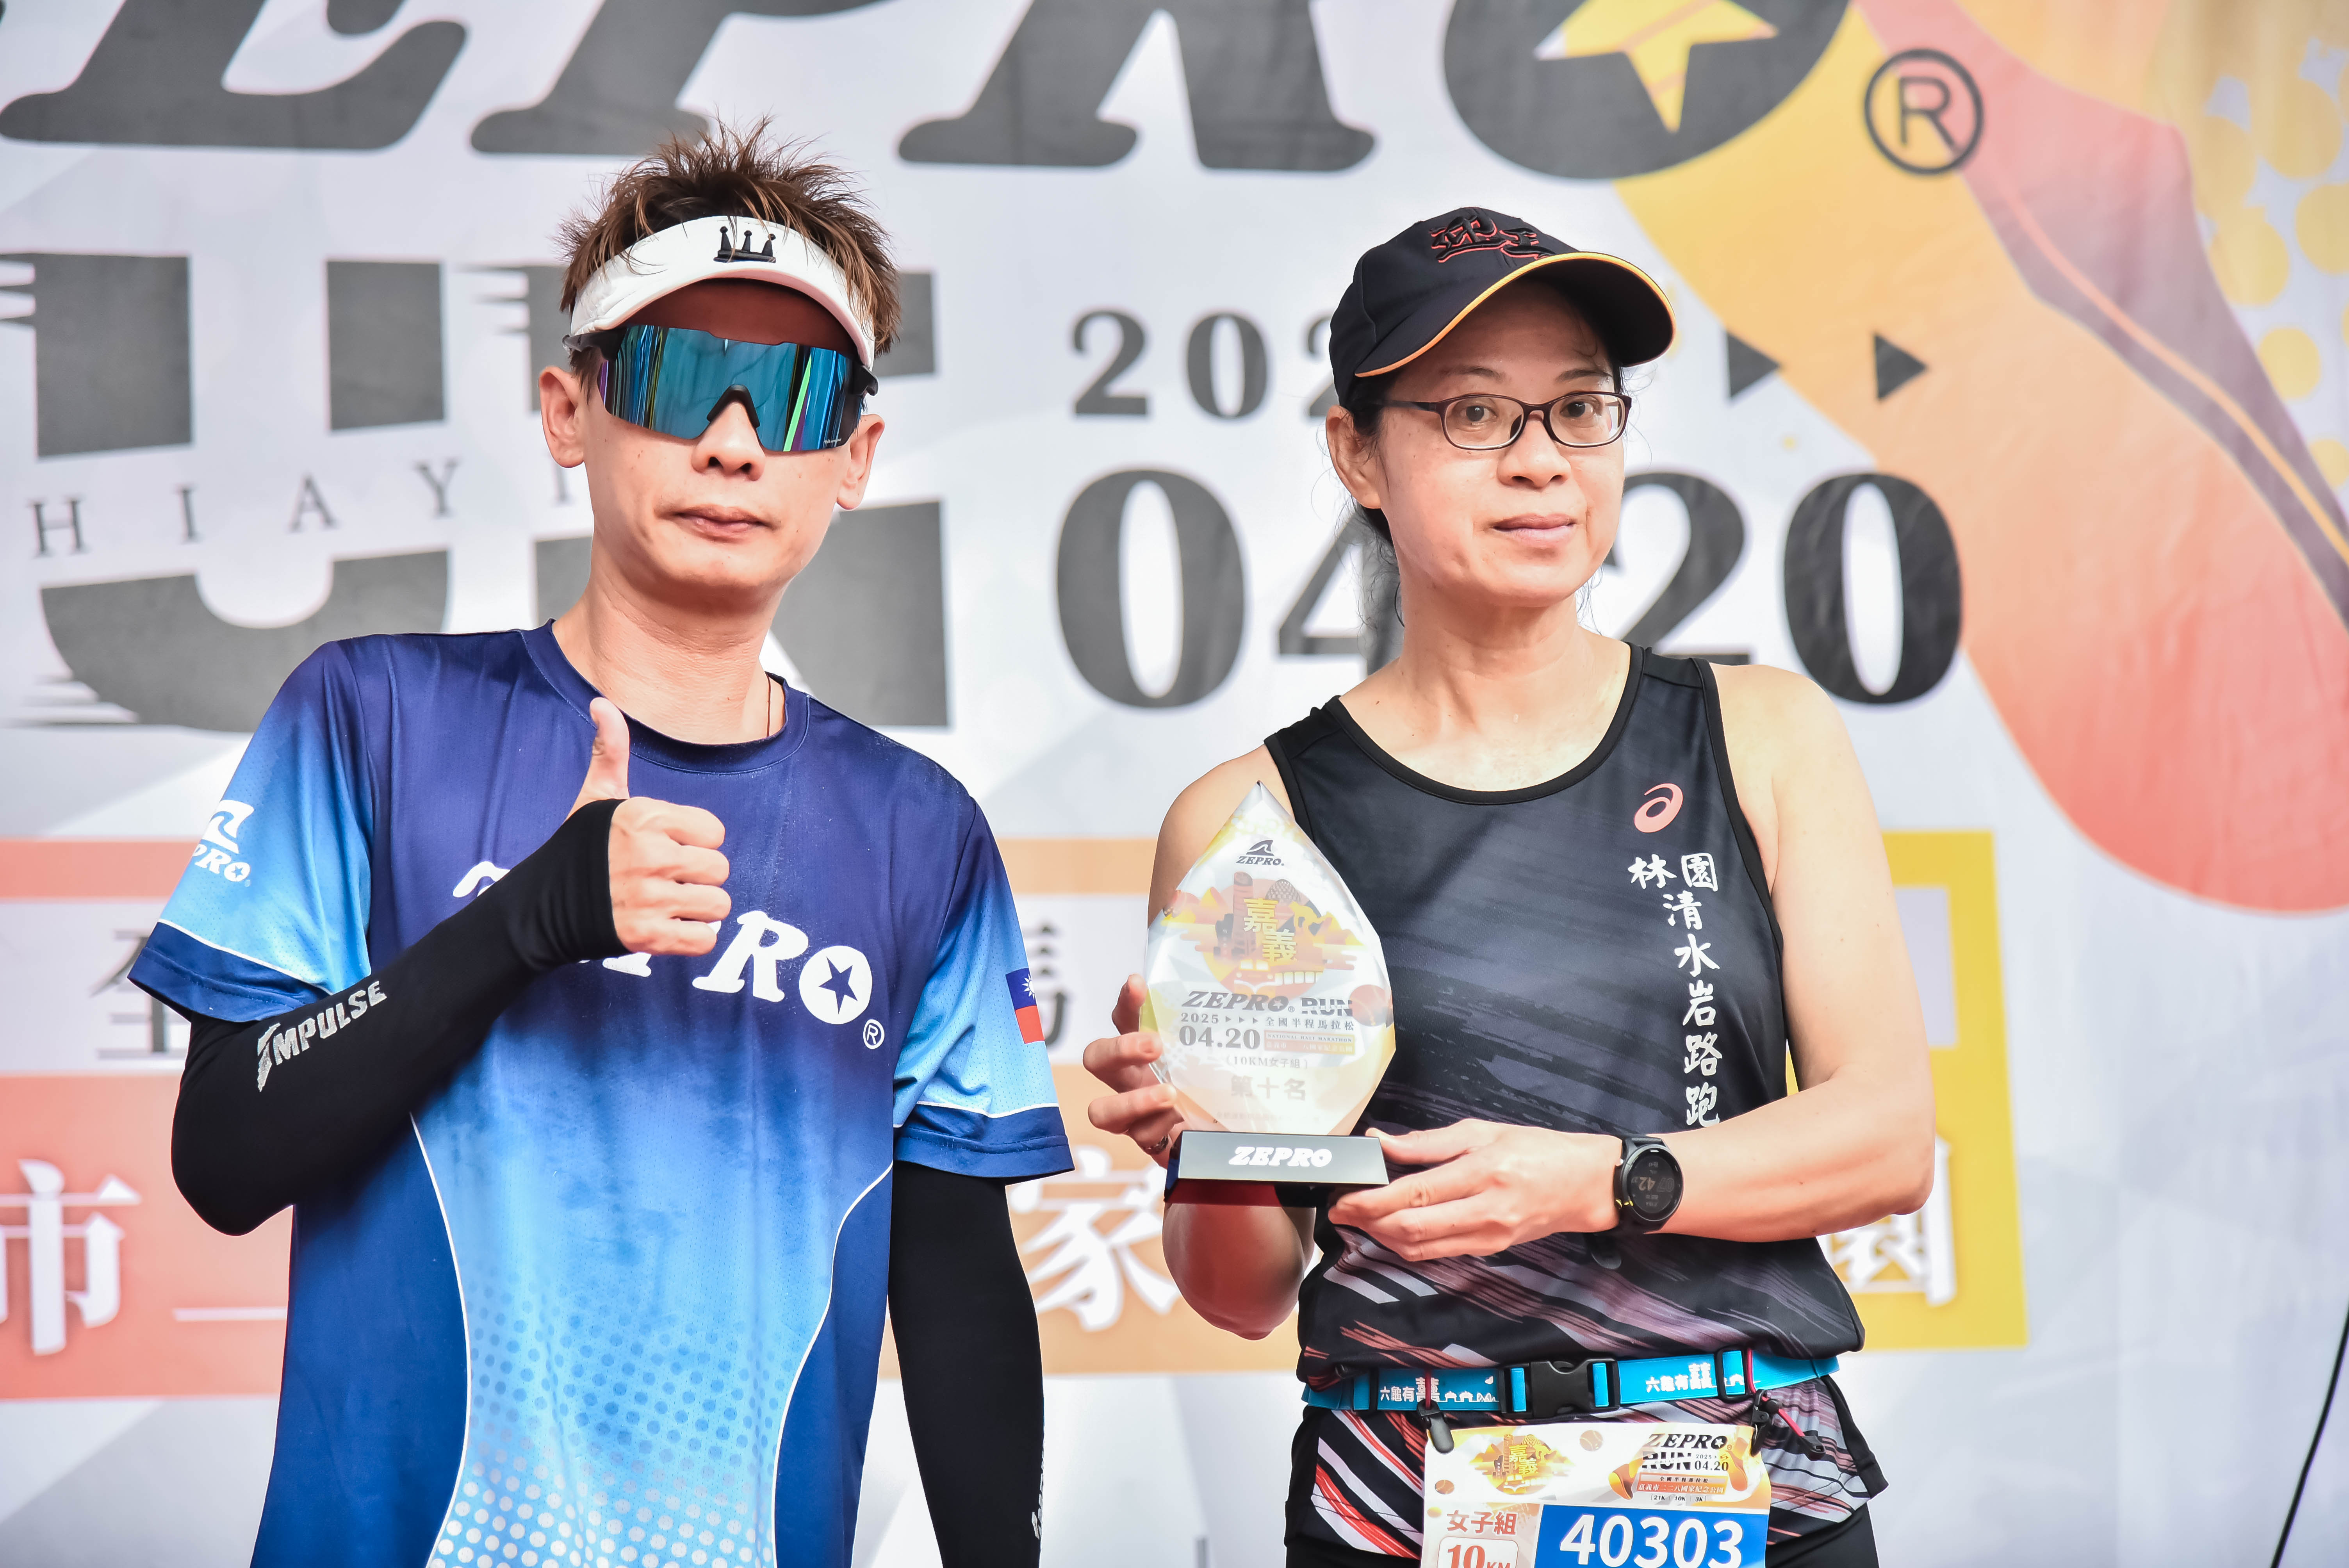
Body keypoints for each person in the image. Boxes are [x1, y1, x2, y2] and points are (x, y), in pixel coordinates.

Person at [132, 126, 1069, 1568]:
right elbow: (226, 1155)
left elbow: (956, 1283)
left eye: (799, 396)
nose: (735, 442)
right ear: (570, 411)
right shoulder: (371, 716)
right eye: (684, 377)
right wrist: (525, 921)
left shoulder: (919, 830)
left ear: (855, 459)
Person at [1082, 208, 1934, 1566]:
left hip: (1743, 1481)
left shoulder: (1761, 734)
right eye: (1474, 414)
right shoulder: (1253, 819)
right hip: (1406, 1495)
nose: (1541, 461)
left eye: (1579, 409)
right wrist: (1211, 1157)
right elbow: (1242, 1297)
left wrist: (1602, 1180)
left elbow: (1886, 1139)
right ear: (1358, 453)